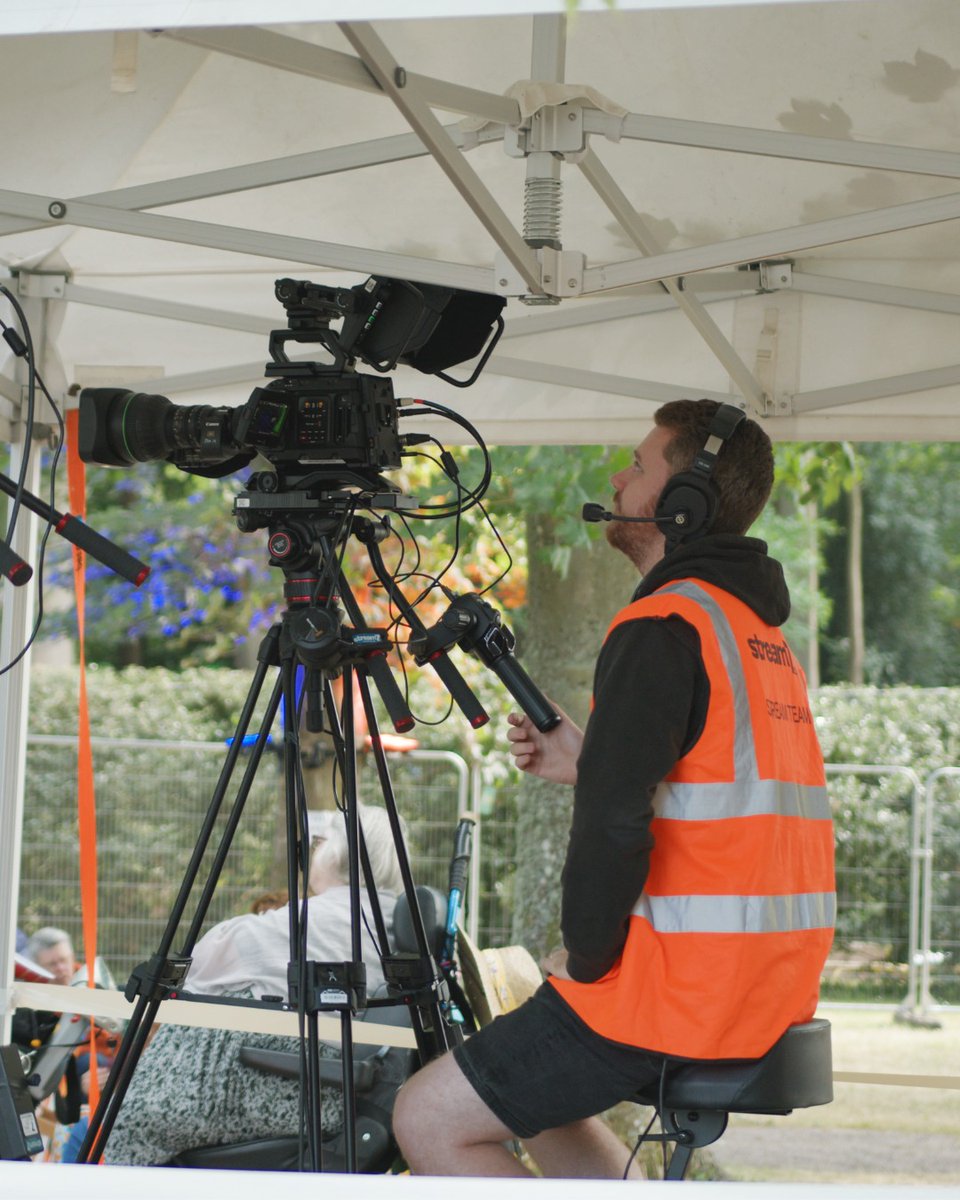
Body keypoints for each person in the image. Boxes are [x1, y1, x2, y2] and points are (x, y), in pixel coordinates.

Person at [393, 399, 836, 1178]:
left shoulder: (663, 626)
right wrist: (592, 759)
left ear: (684, 501)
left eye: (639, 465)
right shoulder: (756, 636)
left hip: (680, 996)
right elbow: (708, 792)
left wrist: (588, 960)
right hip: (762, 988)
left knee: (428, 1117)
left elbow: (613, 827)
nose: (618, 477)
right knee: (541, 1107)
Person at [102, 804, 404, 1166]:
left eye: (321, 843)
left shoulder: (316, 921)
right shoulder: (389, 920)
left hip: (276, 1083)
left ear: (338, 853)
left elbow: (202, 965)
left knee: (127, 1122)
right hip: (328, 1084)